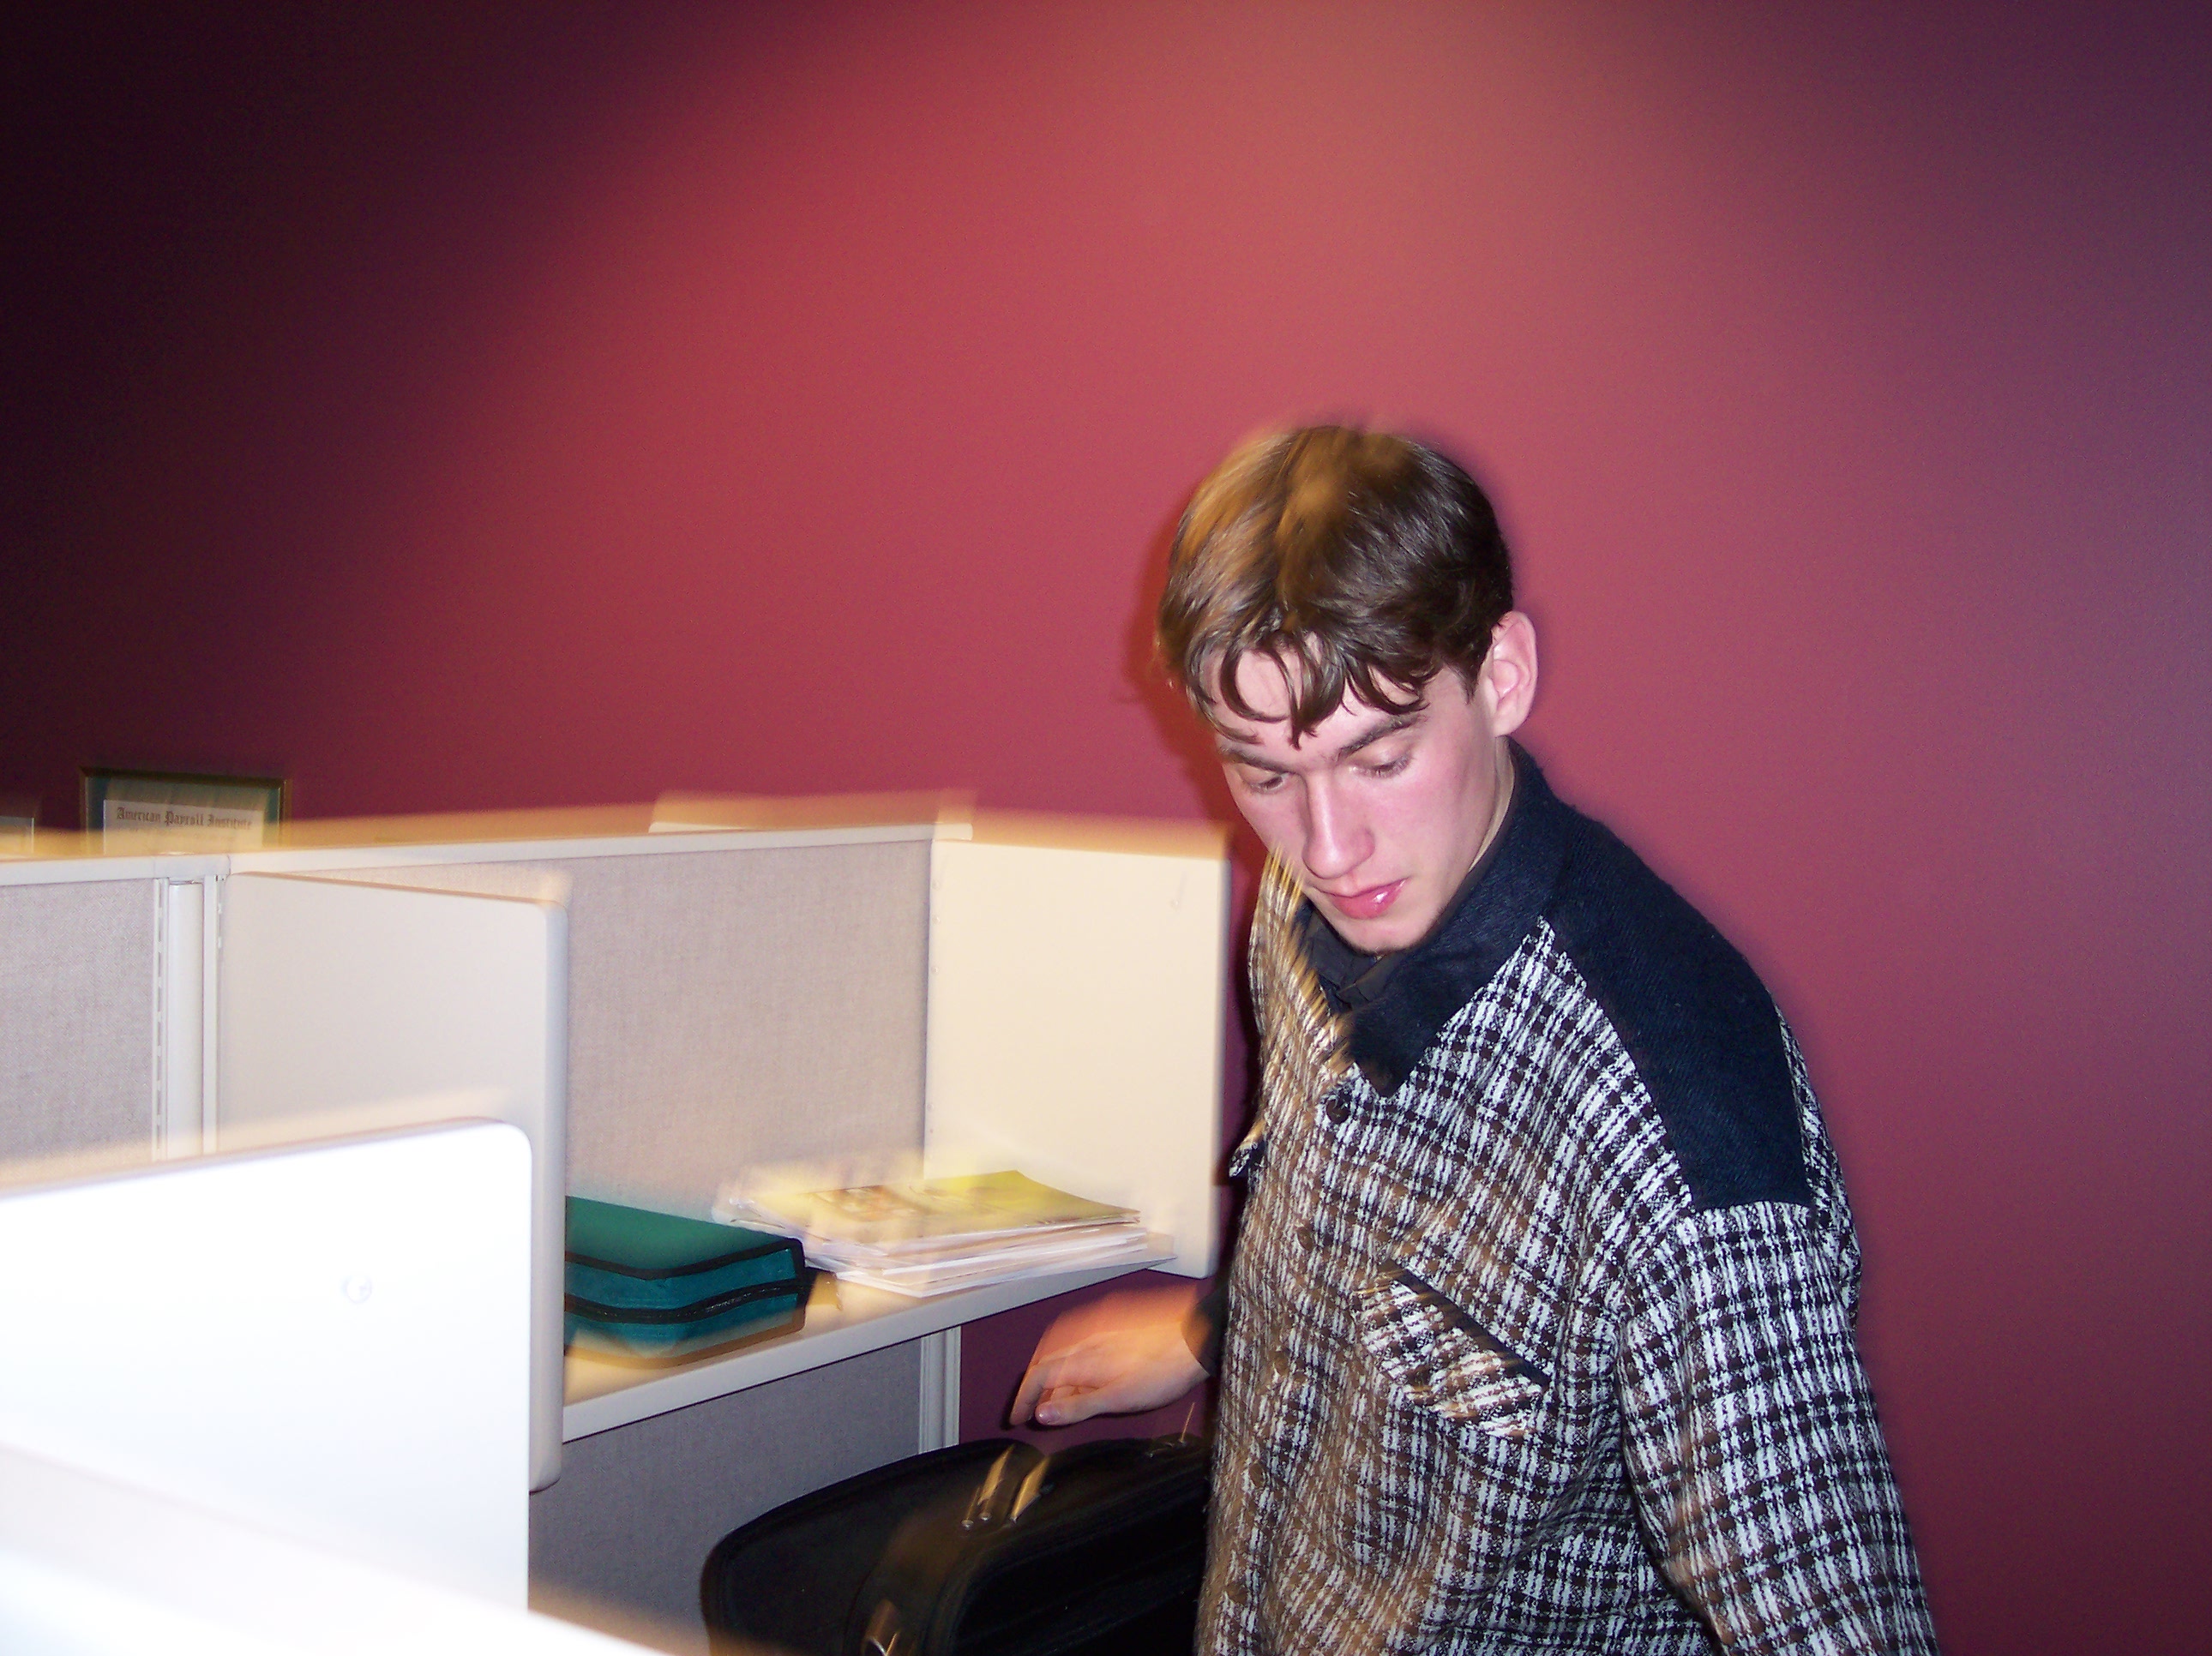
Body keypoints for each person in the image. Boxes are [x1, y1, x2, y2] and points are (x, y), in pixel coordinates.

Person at [1012, 427, 1935, 1653]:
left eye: (1382, 759)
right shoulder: (1314, 900)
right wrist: (1212, 1330)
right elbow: (1344, 1207)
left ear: (1501, 674)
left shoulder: (1681, 1145)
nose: (1327, 847)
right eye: (1266, 777)